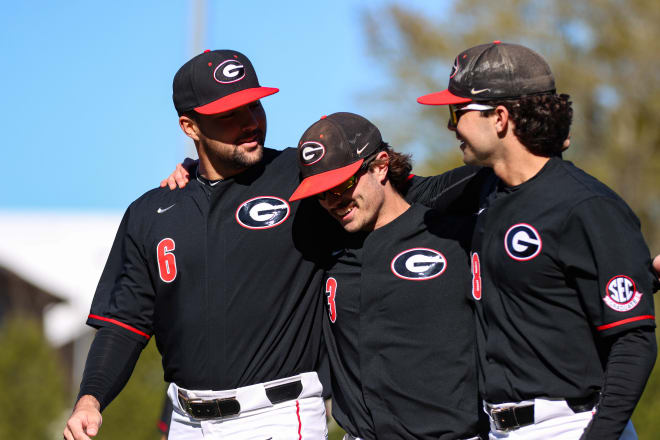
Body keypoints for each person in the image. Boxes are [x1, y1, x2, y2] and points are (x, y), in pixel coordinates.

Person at [63, 49, 337, 440]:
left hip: (277, 415)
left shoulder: (301, 177)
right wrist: (90, 399)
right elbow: (124, 324)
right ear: (190, 127)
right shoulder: (152, 211)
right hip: (185, 422)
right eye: (229, 114)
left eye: (253, 105)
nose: (249, 122)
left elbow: (397, 197)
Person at [417, 41, 658, 439]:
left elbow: (633, 342)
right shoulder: (485, 192)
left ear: (499, 117)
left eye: (457, 112)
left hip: (573, 424)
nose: (450, 126)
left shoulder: (586, 205)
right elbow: (413, 194)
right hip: (499, 428)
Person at [287, 112, 485, 439]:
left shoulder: (451, 237)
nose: (334, 200)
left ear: (380, 166)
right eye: (322, 193)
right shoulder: (325, 254)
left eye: (343, 184)